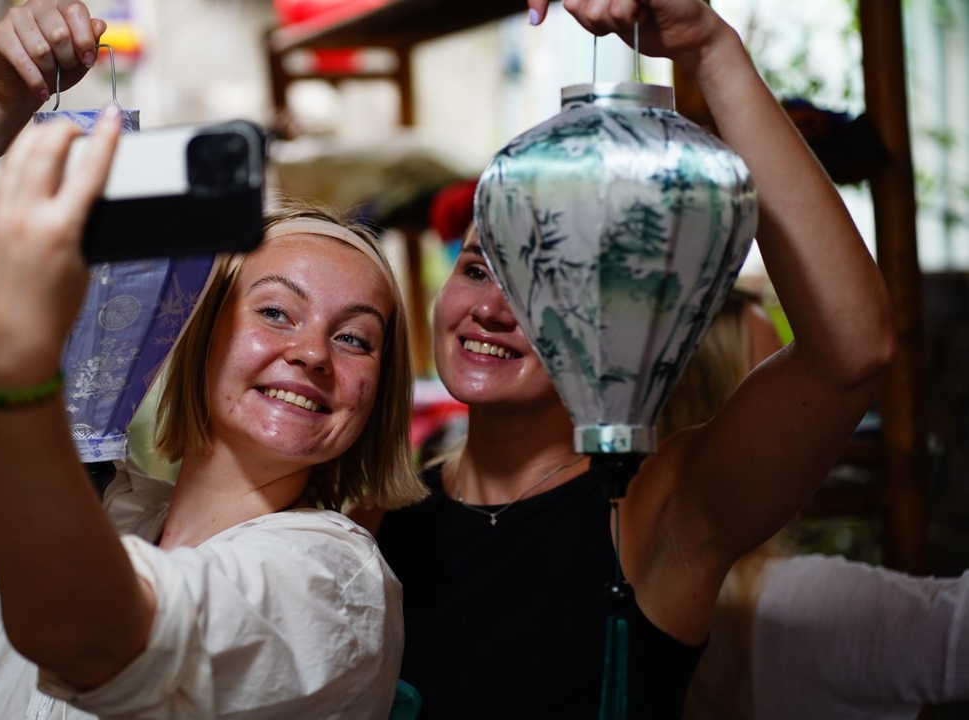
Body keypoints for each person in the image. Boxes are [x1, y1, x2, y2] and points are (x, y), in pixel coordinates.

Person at [0, 1, 425, 717]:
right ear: (197, 338)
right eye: (274, 312)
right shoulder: (88, 508)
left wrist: (17, 369)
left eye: (354, 337)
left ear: (378, 394)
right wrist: (0, 97)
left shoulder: (331, 580)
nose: (310, 353)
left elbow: (96, 642)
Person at [373, 0, 897, 717]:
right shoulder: (377, 520)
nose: (493, 308)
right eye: (475, 269)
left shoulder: (666, 511)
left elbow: (853, 350)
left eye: (541, 279)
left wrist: (708, 48)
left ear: (621, 311)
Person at [672, 292, 969, 720]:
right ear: (710, 422)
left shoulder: (642, 588)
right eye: (778, 394)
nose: (810, 416)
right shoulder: (793, 604)